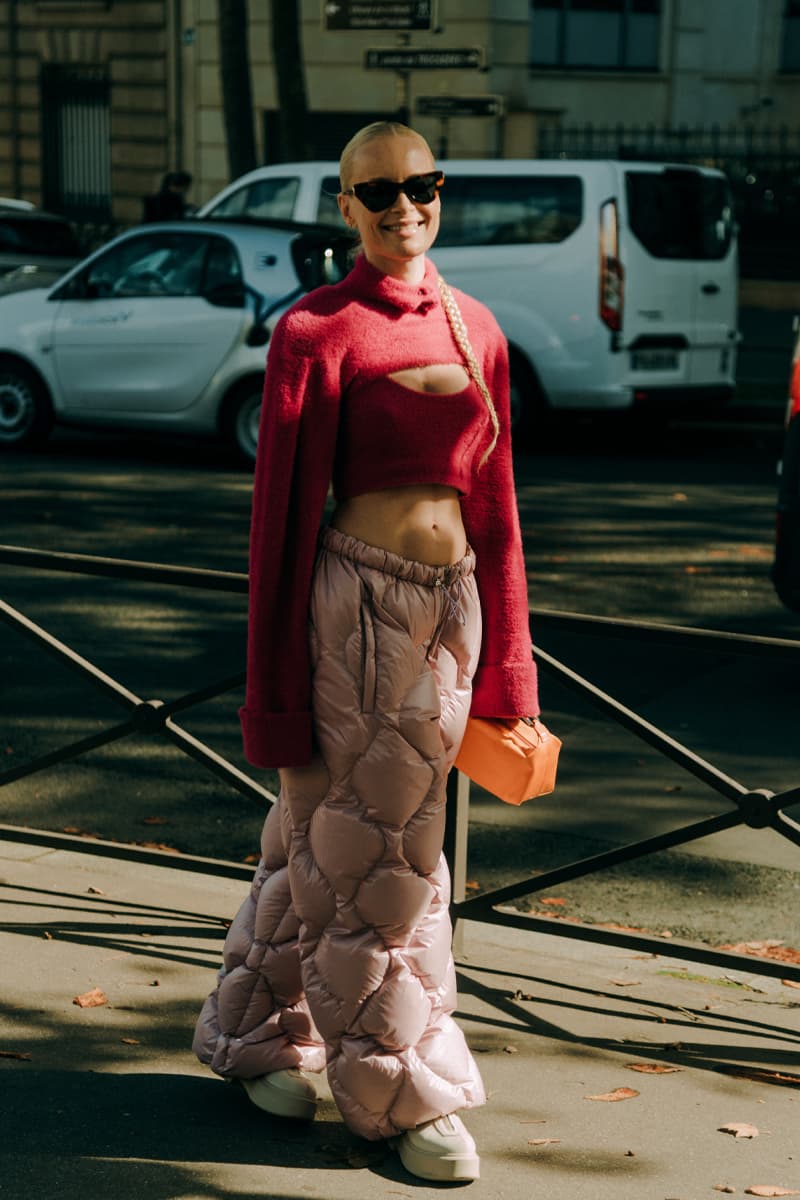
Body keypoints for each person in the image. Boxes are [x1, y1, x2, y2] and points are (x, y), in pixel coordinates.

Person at [192, 121, 540, 1184]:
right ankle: (401, 1098)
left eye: (422, 186)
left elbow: (497, 507)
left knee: (332, 838)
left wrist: (510, 666)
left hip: (452, 609)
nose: (404, 207)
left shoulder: (475, 326)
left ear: (443, 192)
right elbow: (280, 527)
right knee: (385, 866)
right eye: (377, 192)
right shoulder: (316, 331)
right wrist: (275, 706)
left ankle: (251, 1034)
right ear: (343, 207)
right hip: (353, 613)